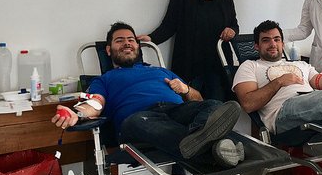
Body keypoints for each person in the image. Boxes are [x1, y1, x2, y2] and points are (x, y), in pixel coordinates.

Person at [52, 22, 244, 167]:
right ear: (109, 50)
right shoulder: (104, 79)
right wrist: (77, 113)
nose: (127, 43)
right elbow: (95, 103)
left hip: (177, 112)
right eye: (120, 41)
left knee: (215, 105)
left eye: (131, 40)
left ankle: (199, 141)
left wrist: (186, 90)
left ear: (138, 46)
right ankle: (217, 147)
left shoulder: (161, 71)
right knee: (138, 120)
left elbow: (198, 100)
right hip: (139, 120)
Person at [139, 0, 239, 101]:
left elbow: (234, 25)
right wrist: (151, 38)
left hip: (217, 67)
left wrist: (232, 31)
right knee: (188, 108)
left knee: (218, 108)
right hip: (188, 65)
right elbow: (169, 25)